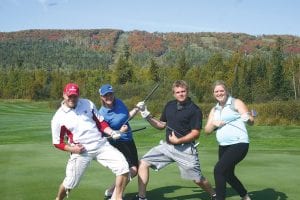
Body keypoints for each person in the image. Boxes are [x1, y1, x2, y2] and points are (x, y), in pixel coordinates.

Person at [133, 80, 216, 200]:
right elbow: (161, 125)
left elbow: (196, 133)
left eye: (183, 91)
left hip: (185, 149)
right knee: (143, 163)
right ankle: (141, 197)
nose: (181, 94)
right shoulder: (170, 105)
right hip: (167, 147)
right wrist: (146, 115)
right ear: (174, 94)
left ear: (187, 92)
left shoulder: (194, 110)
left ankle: (214, 194)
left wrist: (178, 140)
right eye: (178, 92)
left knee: (197, 179)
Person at [51, 83, 129, 200]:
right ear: (64, 95)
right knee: (70, 183)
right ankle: (59, 198)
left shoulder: (88, 104)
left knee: (123, 167)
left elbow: (101, 123)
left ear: (78, 95)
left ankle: (117, 198)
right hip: (81, 151)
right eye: (69, 96)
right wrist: (73, 149)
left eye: (75, 96)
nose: (72, 99)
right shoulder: (58, 117)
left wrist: (112, 132)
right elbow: (57, 142)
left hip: (101, 145)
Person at [204, 80, 254, 200]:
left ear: (226, 91)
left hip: (239, 143)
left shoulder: (236, 103)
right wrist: (214, 124)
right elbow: (206, 131)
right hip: (223, 146)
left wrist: (247, 118)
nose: (219, 93)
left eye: (221, 90)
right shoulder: (214, 110)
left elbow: (251, 121)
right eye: (216, 91)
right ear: (213, 94)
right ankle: (245, 196)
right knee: (228, 174)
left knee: (218, 170)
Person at [98, 84, 140, 199]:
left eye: (110, 94)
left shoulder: (120, 103)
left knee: (133, 169)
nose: (109, 97)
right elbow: (104, 135)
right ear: (101, 97)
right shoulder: (102, 113)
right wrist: (119, 132)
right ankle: (116, 196)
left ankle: (112, 190)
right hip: (117, 142)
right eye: (105, 95)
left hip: (129, 139)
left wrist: (136, 109)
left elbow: (126, 118)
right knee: (132, 169)